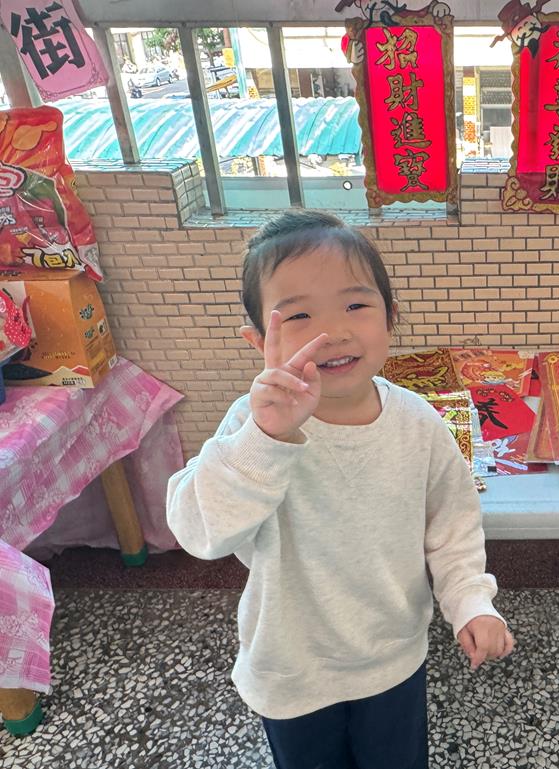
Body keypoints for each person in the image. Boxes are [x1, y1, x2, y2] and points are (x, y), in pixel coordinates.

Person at [166, 211, 515, 769]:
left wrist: (471, 602)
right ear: (259, 340)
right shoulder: (254, 424)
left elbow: (452, 526)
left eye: (356, 305)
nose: (333, 332)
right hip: (291, 668)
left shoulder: (418, 423)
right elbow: (198, 532)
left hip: (392, 658)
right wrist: (266, 438)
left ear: (391, 317)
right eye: (299, 315)